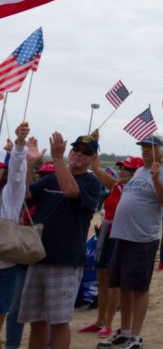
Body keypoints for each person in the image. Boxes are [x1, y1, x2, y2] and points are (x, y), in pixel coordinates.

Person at [19, 133, 102, 349]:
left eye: (87, 152)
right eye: (76, 149)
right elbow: (26, 194)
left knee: (58, 322)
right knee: (36, 320)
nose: (79, 154)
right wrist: (29, 164)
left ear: (93, 159)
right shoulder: (51, 178)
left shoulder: (91, 183)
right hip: (38, 257)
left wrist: (57, 160)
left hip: (65, 261)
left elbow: (71, 191)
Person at [100, 134, 163, 349]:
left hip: (142, 239)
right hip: (123, 236)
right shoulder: (139, 172)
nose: (144, 150)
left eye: (149, 147)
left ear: (160, 151)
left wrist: (156, 179)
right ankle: (124, 331)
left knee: (140, 288)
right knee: (123, 286)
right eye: (142, 147)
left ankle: (135, 336)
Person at [83, 156, 142, 339]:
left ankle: (108, 324)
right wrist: (94, 144)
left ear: (136, 173)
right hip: (106, 230)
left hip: (122, 233)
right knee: (101, 276)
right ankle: (100, 321)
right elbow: (97, 167)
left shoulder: (138, 192)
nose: (122, 171)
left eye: (127, 169)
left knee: (114, 281)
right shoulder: (116, 185)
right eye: (121, 168)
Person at [0, 124, 32, 339]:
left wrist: (20, 144)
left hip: (4, 265)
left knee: (1, 309)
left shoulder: (9, 196)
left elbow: (18, 172)